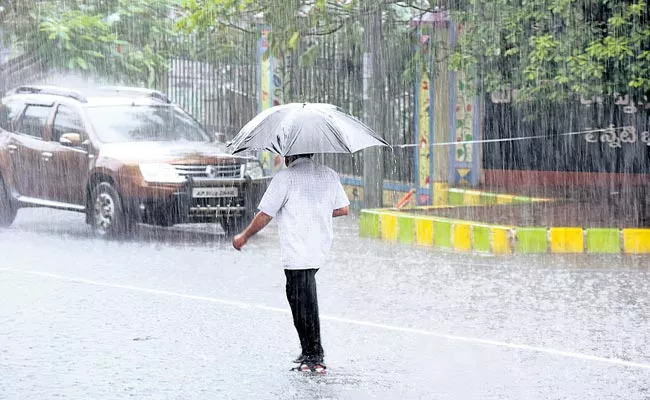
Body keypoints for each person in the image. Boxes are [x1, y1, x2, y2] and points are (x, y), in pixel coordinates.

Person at [232, 153, 350, 373]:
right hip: (318, 248)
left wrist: (244, 236)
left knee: (303, 301)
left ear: (290, 155)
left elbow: (265, 214)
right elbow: (343, 209)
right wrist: (317, 210)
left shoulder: (285, 178)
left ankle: (315, 357)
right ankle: (309, 352)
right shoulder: (329, 175)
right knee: (299, 297)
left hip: (298, 249)